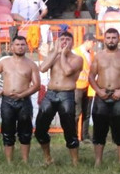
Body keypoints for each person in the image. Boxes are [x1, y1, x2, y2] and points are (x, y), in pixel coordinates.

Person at [0, 35, 40, 163]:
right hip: (7, 101)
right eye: (17, 44)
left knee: (25, 132)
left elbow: (37, 85)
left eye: (22, 45)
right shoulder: (4, 62)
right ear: (12, 46)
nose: (20, 47)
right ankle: (9, 162)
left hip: (24, 101)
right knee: (7, 131)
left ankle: (25, 160)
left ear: (26, 46)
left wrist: (22, 95)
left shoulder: (31, 64)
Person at [34, 31, 83, 165]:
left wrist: (62, 54)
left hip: (66, 94)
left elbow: (67, 71)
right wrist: (55, 52)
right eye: (62, 39)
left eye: (68, 39)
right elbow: (42, 68)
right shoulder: (53, 56)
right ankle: (48, 158)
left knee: (69, 129)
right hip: (50, 94)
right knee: (40, 129)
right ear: (57, 41)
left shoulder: (77, 59)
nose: (65, 42)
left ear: (73, 42)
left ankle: (75, 161)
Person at [88, 28, 120, 166]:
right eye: (108, 37)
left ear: (118, 39)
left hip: (119, 96)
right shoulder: (98, 56)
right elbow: (91, 76)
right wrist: (98, 91)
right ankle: (98, 161)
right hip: (102, 96)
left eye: (114, 37)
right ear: (104, 39)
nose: (111, 40)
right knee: (99, 129)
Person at [72, 34, 96, 142]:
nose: (94, 44)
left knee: (86, 112)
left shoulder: (92, 54)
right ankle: (74, 135)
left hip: (88, 86)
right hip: (77, 86)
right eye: (92, 42)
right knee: (77, 112)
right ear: (87, 41)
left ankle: (84, 135)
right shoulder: (75, 52)